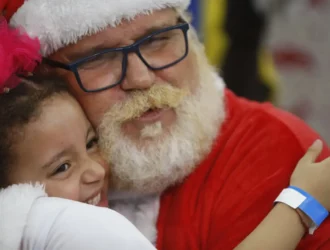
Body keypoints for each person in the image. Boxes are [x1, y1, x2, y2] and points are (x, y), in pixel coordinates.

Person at [4, 0, 330, 249]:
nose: (141, 78)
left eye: (157, 39)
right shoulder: (22, 186)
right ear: (43, 81)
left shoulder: (276, 153)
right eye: (97, 57)